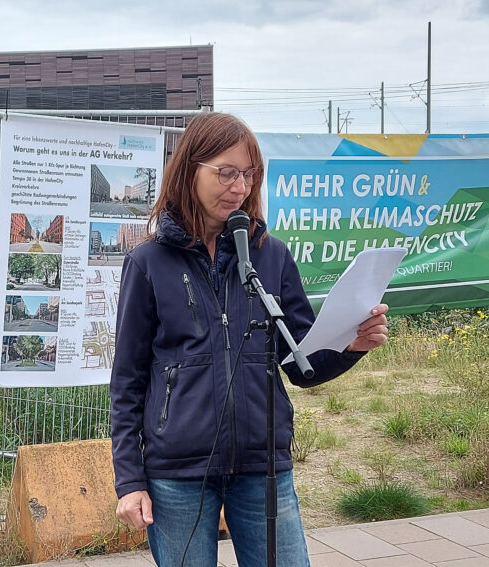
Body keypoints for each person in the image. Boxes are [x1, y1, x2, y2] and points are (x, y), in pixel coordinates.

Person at [110, 113, 390, 567]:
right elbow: (127, 381)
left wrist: (352, 346)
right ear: (189, 170)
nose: (239, 186)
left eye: (248, 174)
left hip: (263, 467)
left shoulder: (270, 255)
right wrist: (130, 480)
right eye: (226, 172)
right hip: (177, 474)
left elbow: (300, 361)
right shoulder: (148, 263)